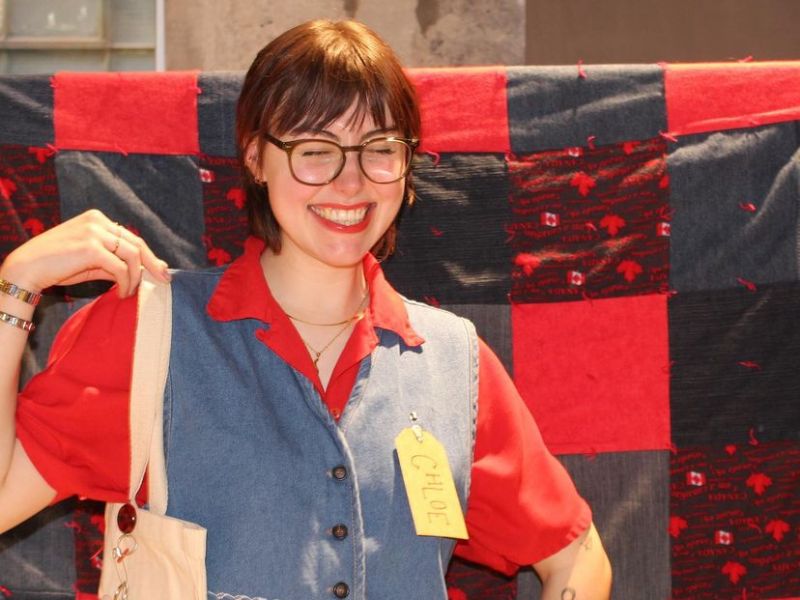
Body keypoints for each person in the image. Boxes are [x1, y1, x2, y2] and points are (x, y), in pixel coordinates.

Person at [0, 19, 611, 599]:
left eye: (378, 148)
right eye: (315, 150)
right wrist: (16, 289)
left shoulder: (454, 365)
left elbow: (576, 551)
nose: (350, 183)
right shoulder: (149, 333)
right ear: (256, 158)